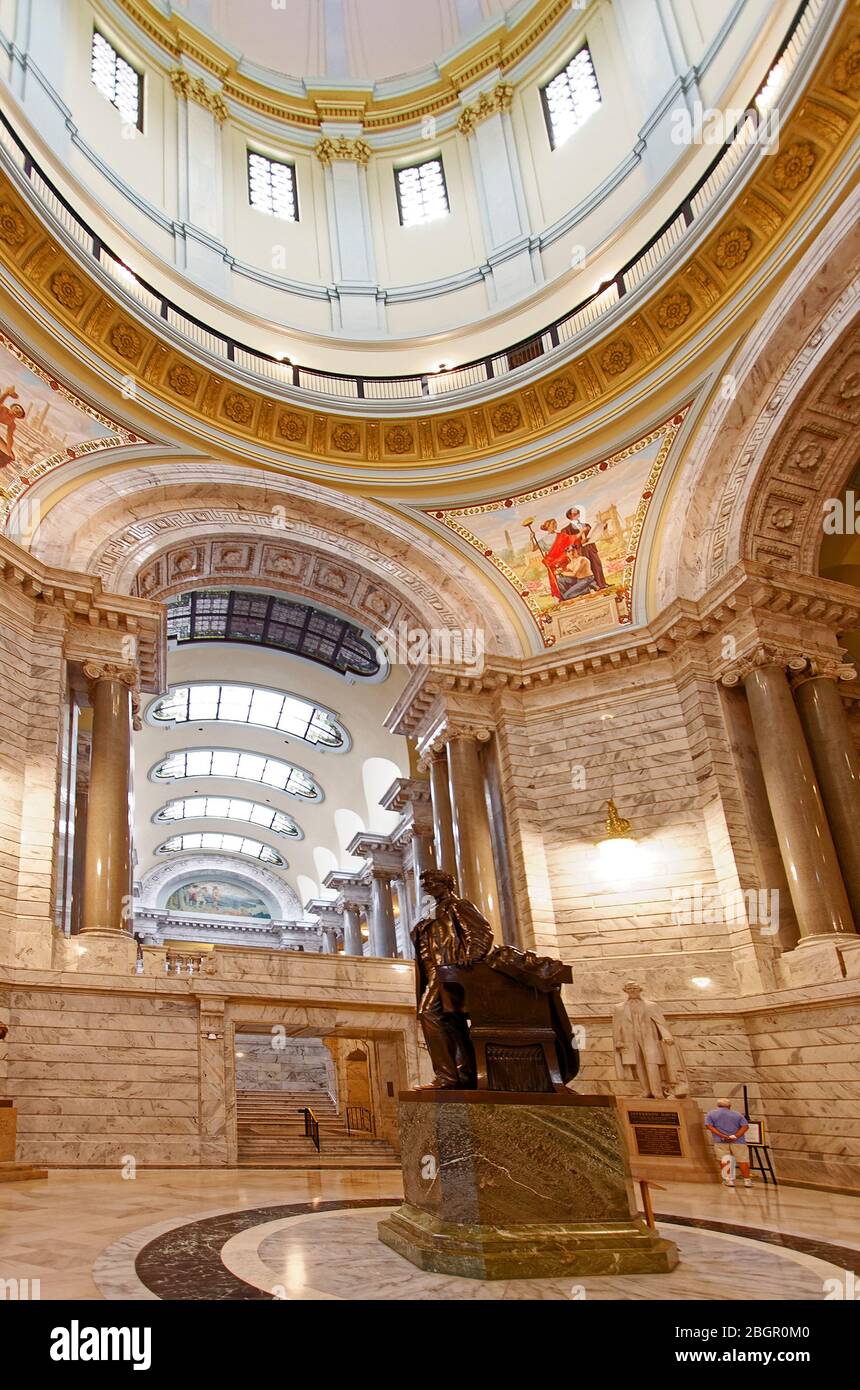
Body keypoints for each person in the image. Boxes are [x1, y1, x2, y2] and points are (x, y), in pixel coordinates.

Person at [704, 1097, 752, 1188]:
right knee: (742, 1160)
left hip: (720, 1141)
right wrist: (735, 1136)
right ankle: (747, 1181)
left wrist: (721, 1135)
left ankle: (729, 1180)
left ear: (718, 1105)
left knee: (725, 1160)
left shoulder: (711, 1114)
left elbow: (709, 1126)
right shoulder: (737, 1115)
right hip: (738, 1141)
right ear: (729, 1106)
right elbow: (745, 1126)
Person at [563, 507, 607, 588]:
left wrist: (602, 528)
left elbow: (594, 533)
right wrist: (579, 542)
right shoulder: (566, 530)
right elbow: (568, 543)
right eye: (575, 514)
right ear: (569, 516)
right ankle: (592, 588)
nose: (577, 515)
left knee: (597, 565)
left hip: (591, 547)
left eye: (578, 513)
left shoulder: (586, 525)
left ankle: (602, 584)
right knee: (585, 569)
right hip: (580, 550)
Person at [0, 386, 26, 468]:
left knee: (9, 455)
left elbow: (9, 437)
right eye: (17, 408)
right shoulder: (3, 409)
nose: (17, 411)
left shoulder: (12, 424)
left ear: (19, 416)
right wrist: (6, 394)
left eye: (19, 412)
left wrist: (9, 450)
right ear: (12, 407)